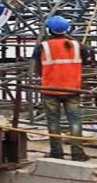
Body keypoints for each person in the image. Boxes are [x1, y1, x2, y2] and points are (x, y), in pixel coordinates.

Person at [32, 15, 92, 161]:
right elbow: (85, 61)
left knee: (53, 121)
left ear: (49, 30)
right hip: (72, 89)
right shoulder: (78, 46)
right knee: (75, 121)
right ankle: (78, 153)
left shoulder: (43, 47)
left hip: (50, 89)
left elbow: (37, 69)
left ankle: (56, 152)